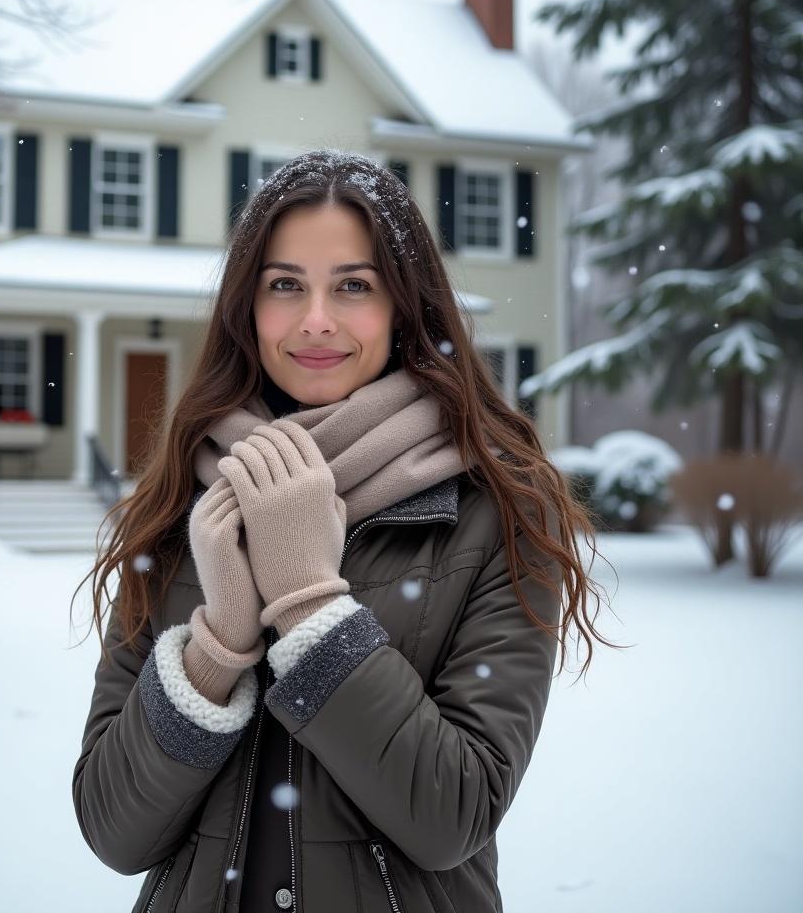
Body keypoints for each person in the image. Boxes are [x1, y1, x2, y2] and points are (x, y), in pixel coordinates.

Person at [70, 149, 617, 912]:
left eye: (353, 286)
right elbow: (112, 829)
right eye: (284, 285)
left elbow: (452, 813)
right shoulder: (180, 507)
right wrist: (216, 647)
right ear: (247, 309)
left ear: (403, 306)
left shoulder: (498, 512)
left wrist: (308, 607)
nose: (315, 320)